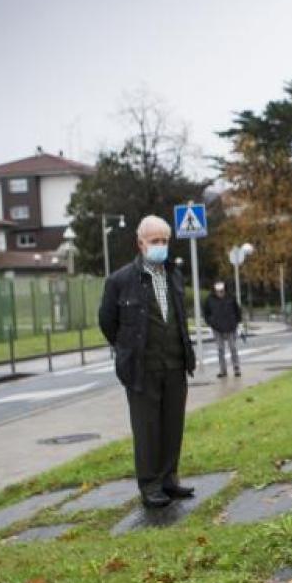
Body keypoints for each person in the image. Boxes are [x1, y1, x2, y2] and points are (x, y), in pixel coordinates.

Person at [98, 215, 197, 508]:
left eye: (165, 241)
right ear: (141, 243)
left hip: (175, 364)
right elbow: (107, 322)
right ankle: (150, 484)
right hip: (142, 368)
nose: (161, 246)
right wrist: (128, 348)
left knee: (172, 424)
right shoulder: (120, 281)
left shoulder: (174, 276)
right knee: (147, 427)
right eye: (155, 241)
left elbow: (179, 317)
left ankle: (169, 479)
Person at [202, 280, 241, 378]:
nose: (220, 293)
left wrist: (236, 322)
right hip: (217, 328)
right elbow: (206, 312)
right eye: (218, 291)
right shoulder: (210, 299)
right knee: (220, 349)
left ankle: (236, 368)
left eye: (222, 291)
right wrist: (211, 322)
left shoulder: (231, 298)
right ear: (215, 291)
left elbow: (237, 310)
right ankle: (223, 370)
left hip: (230, 327)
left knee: (233, 348)